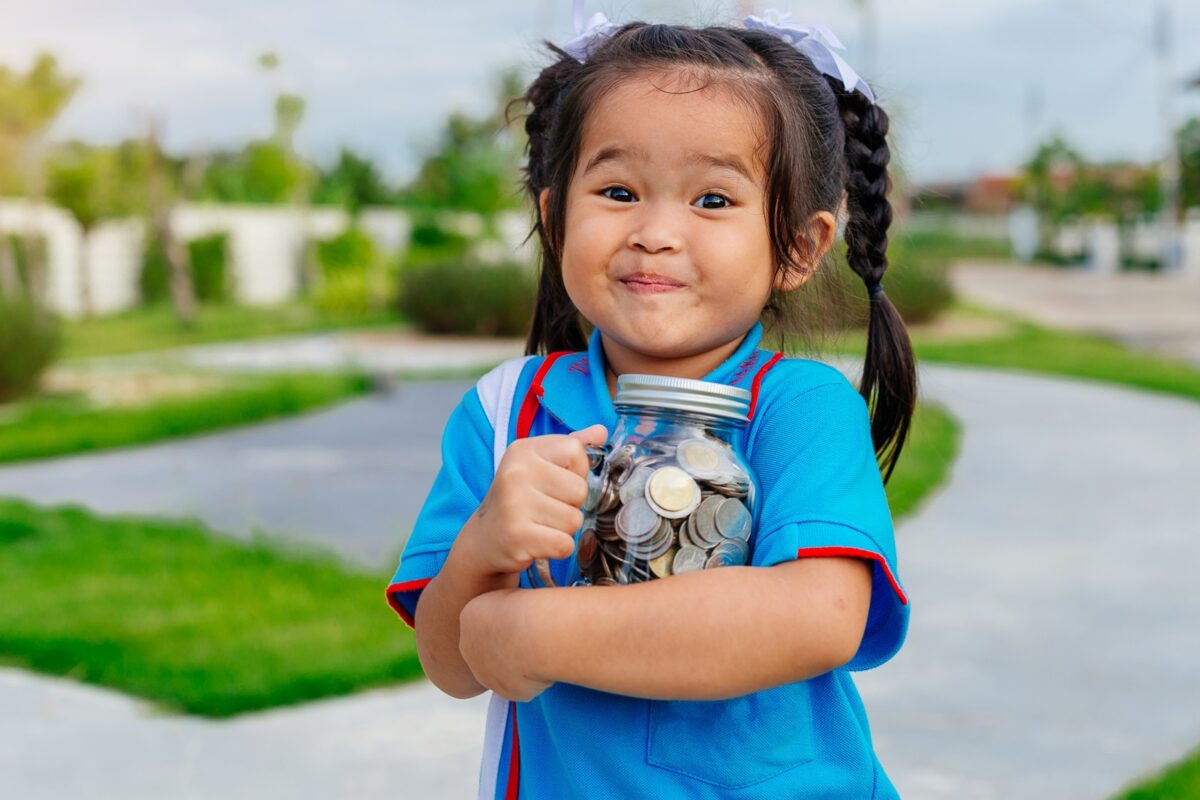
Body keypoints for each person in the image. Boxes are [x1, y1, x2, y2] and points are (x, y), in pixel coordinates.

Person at [387, 8, 917, 798]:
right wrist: (481, 553)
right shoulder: (503, 413)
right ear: (554, 214)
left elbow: (819, 615)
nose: (656, 232)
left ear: (799, 248)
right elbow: (453, 665)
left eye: (712, 200)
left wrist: (540, 631)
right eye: (619, 190)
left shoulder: (799, 408)